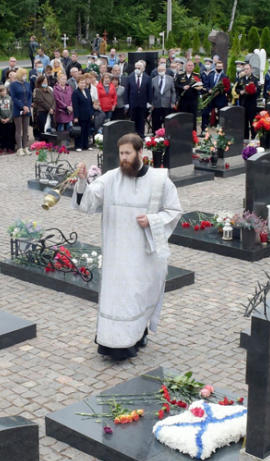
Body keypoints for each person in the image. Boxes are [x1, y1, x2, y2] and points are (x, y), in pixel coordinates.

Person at [72, 133, 183, 361]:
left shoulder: (159, 180)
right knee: (117, 297)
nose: (123, 158)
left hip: (142, 252)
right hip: (116, 252)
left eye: (128, 153)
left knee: (138, 293)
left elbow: (174, 211)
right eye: (121, 153)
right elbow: (88, 202)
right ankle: (113, 343)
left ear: (140, 153)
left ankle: (139, 333)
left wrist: (152, 221)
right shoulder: (112, 178)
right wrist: (83, 181)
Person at [10, 69, 33, 154]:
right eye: (23, 74)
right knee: (19, 129)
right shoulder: (13, 85)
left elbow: (30, 96)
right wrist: (22, 106)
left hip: (27, 109)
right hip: (18, 109)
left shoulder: (27, 84)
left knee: (26, 129)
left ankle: (25, 146)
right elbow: (14, 97)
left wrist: (28, 106)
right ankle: (19, 148)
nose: (25, 76)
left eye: (25, 75)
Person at [126, 60, 150, 135]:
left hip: (142, 103)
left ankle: (141, 134)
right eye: (136, 68)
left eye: (139, 68)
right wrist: (126, 103)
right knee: (133, 120)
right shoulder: (130, 77)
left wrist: (149, 102)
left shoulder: (147, 78)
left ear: (143, 69)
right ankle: (133, 134)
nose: (137, 69)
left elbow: (149, 91)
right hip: (132, 103)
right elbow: (127, 90)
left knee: (141, 120)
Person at [148, 62, 173, 133]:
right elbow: (151, 92)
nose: (161, 72)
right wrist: (152, 103)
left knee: (167, 120)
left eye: (162, 70)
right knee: (156, 121)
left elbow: (173, 91)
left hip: (167, 103)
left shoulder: (170, 79)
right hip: (156, 103)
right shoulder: (153, 80)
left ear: (165, 70)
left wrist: (173, 102)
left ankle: (168, 134)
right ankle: (156, 134)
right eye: (159, 70)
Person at [73, 73, 95, 151]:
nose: (83, 84)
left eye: (84, 83)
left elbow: (90, 103)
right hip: (80, 115)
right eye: (81, 83)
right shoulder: (75, 93)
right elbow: (75, 106)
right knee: (80, 131)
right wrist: (76, 117)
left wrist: (92, 113)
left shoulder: (87, 91)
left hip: (88, 114)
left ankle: (86, 145)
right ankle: (78, 146)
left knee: (87, 130)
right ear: (78, 83)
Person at [53, 77, 74, 148]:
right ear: (58, 80)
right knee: (61, 127)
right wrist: (66, 106)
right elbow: (57, 100)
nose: (64, 80)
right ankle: (60, 142)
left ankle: (67, 142)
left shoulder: (69, 88)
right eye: (62, 79)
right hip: (61, 110)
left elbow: (72, 98)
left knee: (69, 126)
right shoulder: (55, 89)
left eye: (65, 79)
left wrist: (70, 106)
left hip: (69, 110)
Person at [31, 75, 54, 140]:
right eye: (44, 81)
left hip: (51, 111)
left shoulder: (49, 89)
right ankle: (43, 142)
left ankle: (49, 141)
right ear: (40, 82)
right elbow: (40, 101)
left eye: (46, 81)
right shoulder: (37, 90)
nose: (45, 83)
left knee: (50, 126)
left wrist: (52, 108)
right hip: (42, 111)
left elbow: (53, 99)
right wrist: (49, 108)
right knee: (42, 127)